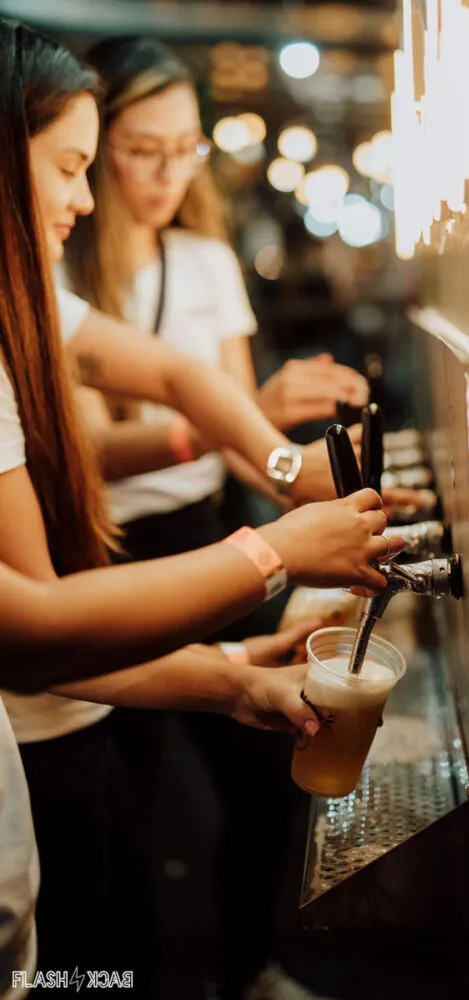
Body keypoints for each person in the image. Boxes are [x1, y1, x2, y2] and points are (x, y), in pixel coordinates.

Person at [0, 18, 401, 997]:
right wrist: (273, 545)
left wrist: (282, 470)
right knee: (94, 963)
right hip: (41, 728)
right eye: (72, 165)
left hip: (57, 712)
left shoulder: (37, 297)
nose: (88, 196)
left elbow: (175, 373)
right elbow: (35, 629)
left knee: (113, 943)